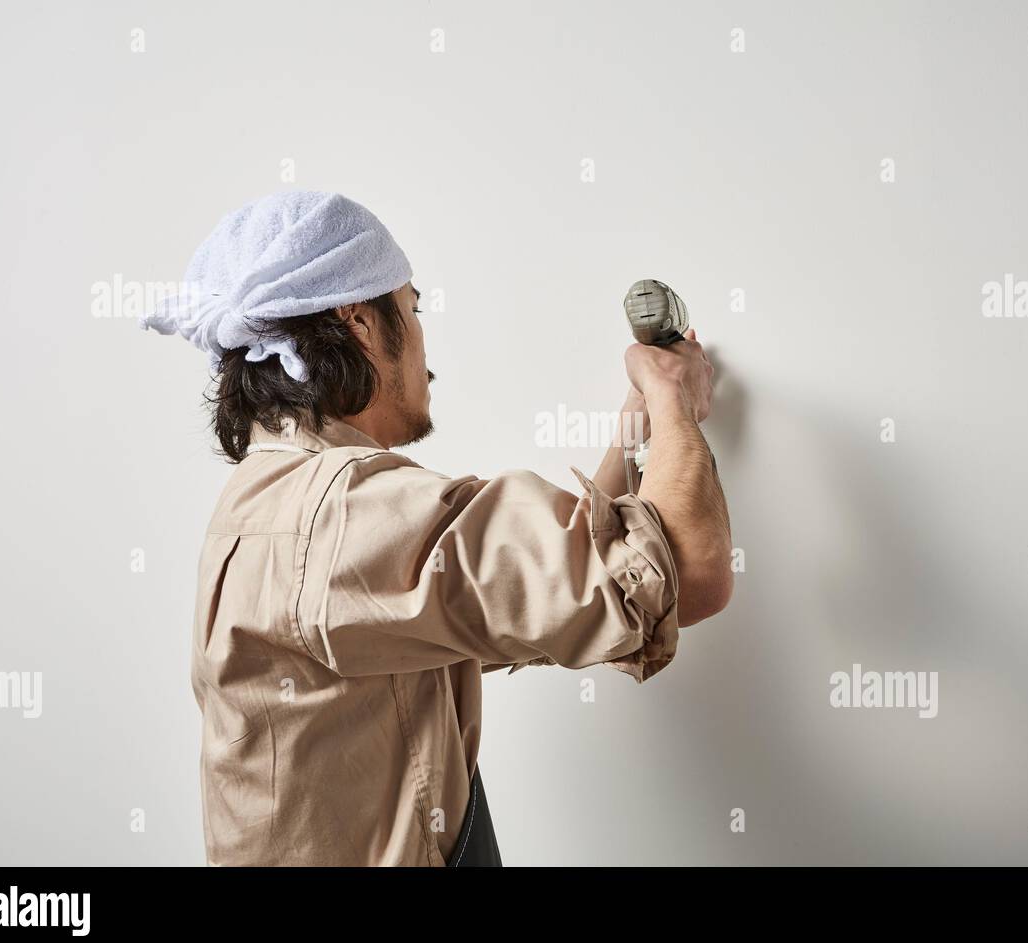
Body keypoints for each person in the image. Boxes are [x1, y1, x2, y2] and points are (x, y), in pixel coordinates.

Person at [141, 191, 733, 866]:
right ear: (360, 323)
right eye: (411, 309)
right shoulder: (347, 515)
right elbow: (685, 576)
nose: (424, 346)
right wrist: (672, 399)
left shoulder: (267, 501)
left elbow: (543, 589)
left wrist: (642, 425)